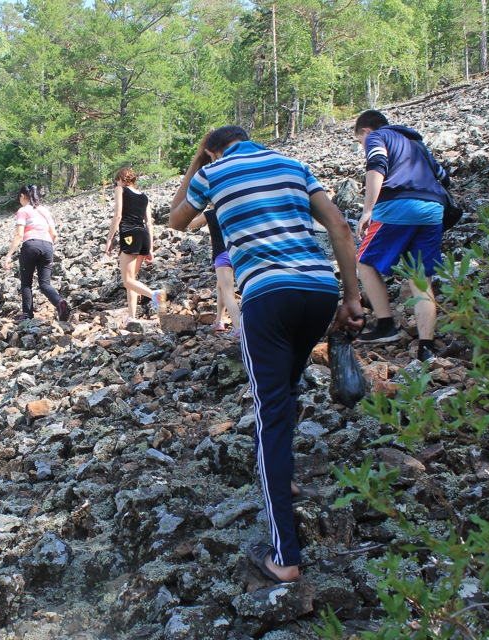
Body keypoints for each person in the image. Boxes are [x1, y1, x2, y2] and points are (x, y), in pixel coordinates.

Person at [169, 126, 363, 584]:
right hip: (318, 289)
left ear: (212, 148)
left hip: (267, 295)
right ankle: (286, 480)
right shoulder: (293, 166)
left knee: (270, 410)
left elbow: (176, 220)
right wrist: (352, 297)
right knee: (289, 388)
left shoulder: (213, 171)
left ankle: (285, 558)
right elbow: (339, 226)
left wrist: (198, 160)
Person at [353, 109, 450, 362]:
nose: (362, 146)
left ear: (365, 131)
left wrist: (367, 210)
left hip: (397, 207)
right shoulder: (415, 142)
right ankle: (425, 347)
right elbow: (443, 176)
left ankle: (385, 326)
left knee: (363, 261)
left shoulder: (377, 137)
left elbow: (377, 166)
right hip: (432, 210)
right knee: (421, 276)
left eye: (359, 142)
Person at [103, 168, 164, 324]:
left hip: (130, 234)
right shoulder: (144, 197)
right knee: (133, 279)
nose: (115, 184)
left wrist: (110, 238)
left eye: (116, 181)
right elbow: (149, 223)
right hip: (143, 235)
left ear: (121, 179)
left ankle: (154, 295)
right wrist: (150, 247)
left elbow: (118, 215)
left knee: (127, 280)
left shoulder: (120, 189)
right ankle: (132, 316)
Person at [2, 184, 70, 322]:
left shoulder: (23, 210)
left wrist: (9, 255)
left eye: (19, 198)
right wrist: (47, 246)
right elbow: (54, 234)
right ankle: (59, 302)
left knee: (26, 283)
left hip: (31, 245)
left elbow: (19, 234)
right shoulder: (45, 211)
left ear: (22, 196)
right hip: (47, 246)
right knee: (45, 284)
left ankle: (27, 314)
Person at [186, 208, 241, 336]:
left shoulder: (210, 213)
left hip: (222, 255)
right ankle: (219, 320)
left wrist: (196, 209)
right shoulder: (232, 210)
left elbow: (189, 224)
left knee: (228, 292)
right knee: (221, 287)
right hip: (236, 253)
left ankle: (238, 328)